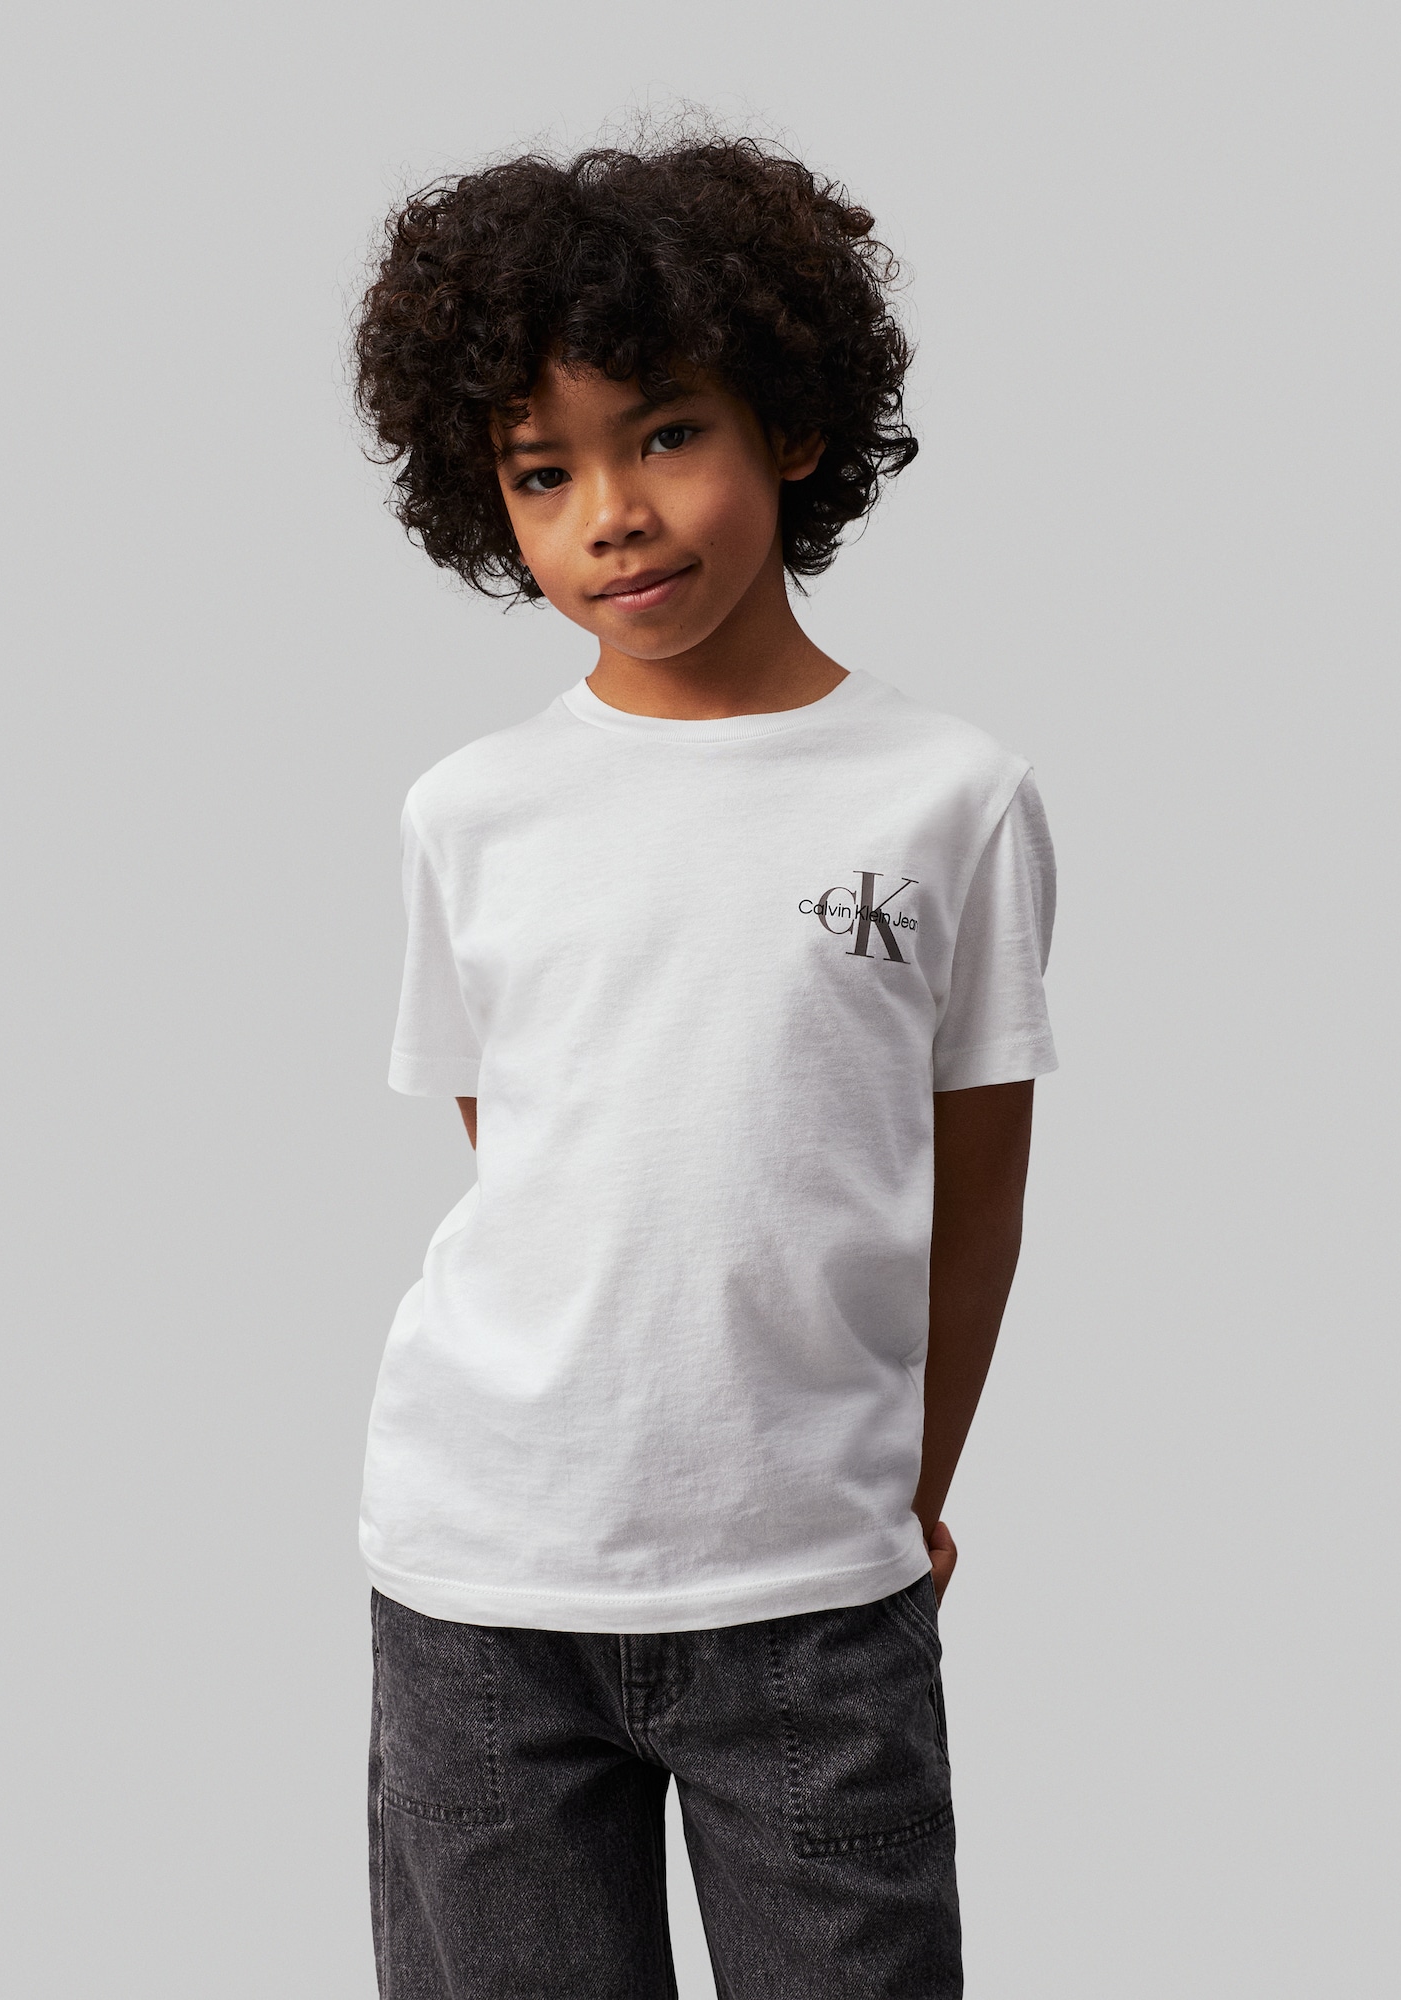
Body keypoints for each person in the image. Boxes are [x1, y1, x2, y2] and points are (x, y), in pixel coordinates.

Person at [351, 135, 1056, 2000]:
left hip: (810, 1600)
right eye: (543, 470)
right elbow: (531, 1158)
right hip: (482, 1585)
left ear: (796, 425)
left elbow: (976, 1199)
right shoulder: (469, 813)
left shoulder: (952, 800)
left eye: (666, 434)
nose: (613, 514)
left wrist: (908, 1488)